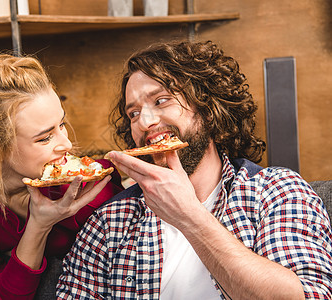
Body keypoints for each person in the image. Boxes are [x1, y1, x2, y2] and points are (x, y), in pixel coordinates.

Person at [56, 40, 332, 299]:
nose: (145, 122)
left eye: (161, 100)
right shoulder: (110, 221)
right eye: (134, 113)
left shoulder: (276, 191)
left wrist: (189, 215)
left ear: (208, 109)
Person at [0, 53, 124, 299]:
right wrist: (38, 226)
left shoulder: (86, 183)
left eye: (61, 124)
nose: (67, 144)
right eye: (44, 137)